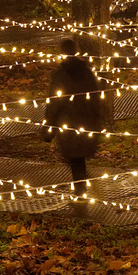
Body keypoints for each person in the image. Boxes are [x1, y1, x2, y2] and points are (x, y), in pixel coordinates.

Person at [44, 38, 103, 197]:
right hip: (86, 121)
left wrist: (48, 125)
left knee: (74, 158)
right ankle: (81, 185)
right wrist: (98, 119)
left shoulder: (61, 76)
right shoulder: (87, 72)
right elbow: (96, 98)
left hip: (68, 123)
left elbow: (55, 103)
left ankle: (80, 189)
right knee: (78, 158)